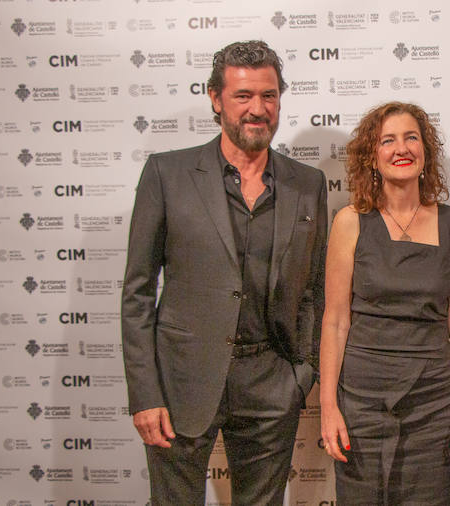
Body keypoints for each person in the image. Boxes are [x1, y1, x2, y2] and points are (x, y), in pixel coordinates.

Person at [120, 40, 327, 505]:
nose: (258, 109)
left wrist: (302, 373)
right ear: (215, 99)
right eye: (243, 96)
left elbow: (313, 288)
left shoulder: (308, 183)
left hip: (272, 385)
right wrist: (145, 392)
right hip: (180, 384)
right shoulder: (166, 174)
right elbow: (136, 293)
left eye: (269, 96)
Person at [319, 102, 450, 505]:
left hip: (436, 404)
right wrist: (328, 407)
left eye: (411, 137)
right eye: (387, 140)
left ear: (424, 152)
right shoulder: (350, 222)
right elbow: (335, 322)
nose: (400, 148)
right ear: (373, 156)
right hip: (361, 406)